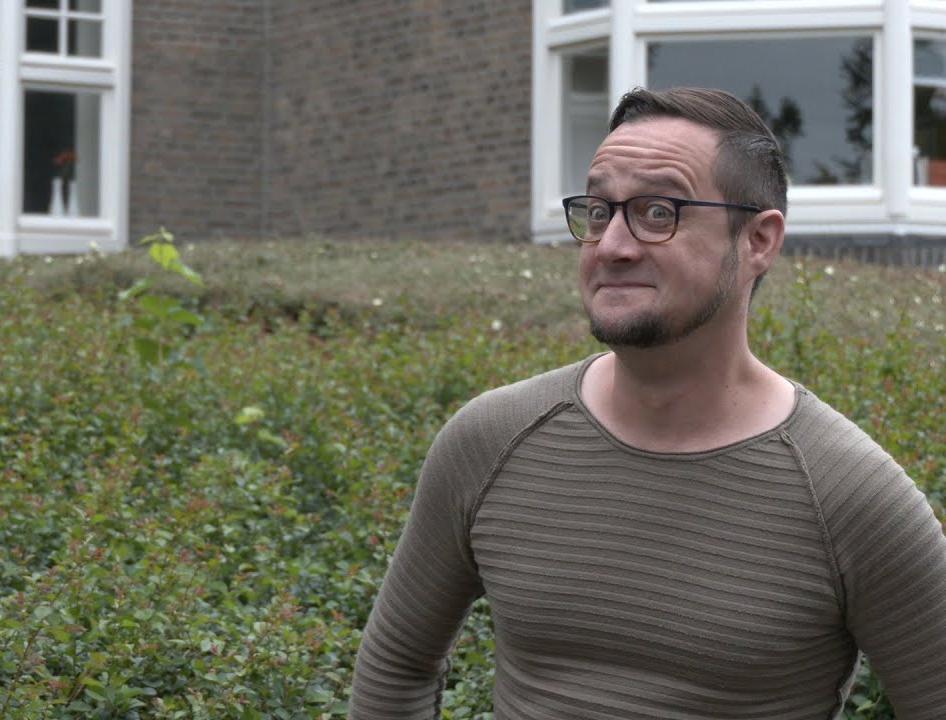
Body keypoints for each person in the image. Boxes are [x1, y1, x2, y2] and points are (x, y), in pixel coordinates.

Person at [349, 87, 946, 719]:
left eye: (658, 212)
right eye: (599, 211)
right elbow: (397, 667)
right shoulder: (490, 441)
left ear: (759, 241)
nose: (612, 245)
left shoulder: (848, 495)